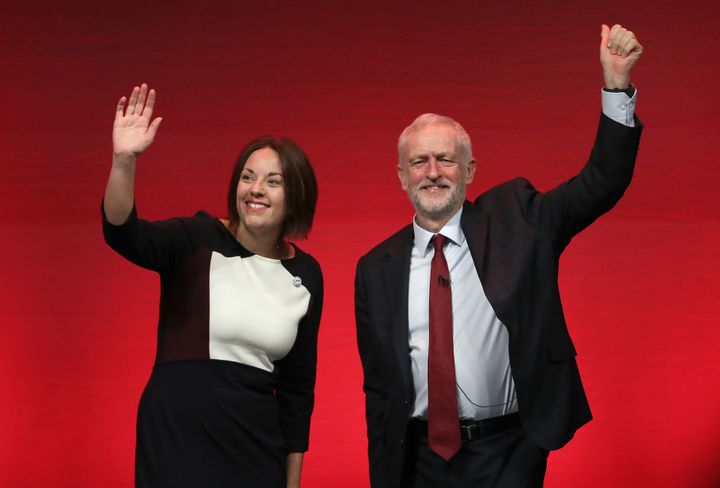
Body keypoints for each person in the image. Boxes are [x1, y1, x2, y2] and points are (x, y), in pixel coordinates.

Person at [355, 24, 643, 488]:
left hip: (508, 452)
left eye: (446, 160)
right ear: (401, 177)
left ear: (469, 170)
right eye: (419, 162)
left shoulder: (518, 217)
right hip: (418, 460)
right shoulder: (374, 269)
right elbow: (379, 389)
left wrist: (616, 87)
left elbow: (600, 183)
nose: (433, 173)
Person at [102, 84, 323, 488]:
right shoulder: (197, 237)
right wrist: (123, 162)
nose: (255, 189)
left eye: (273, 181)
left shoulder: (306, 274)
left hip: (255, 450)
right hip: (175, 441)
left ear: (296, 197)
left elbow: (297, 393)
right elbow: (123, 234)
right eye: (247, 177)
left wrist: (292, 484)